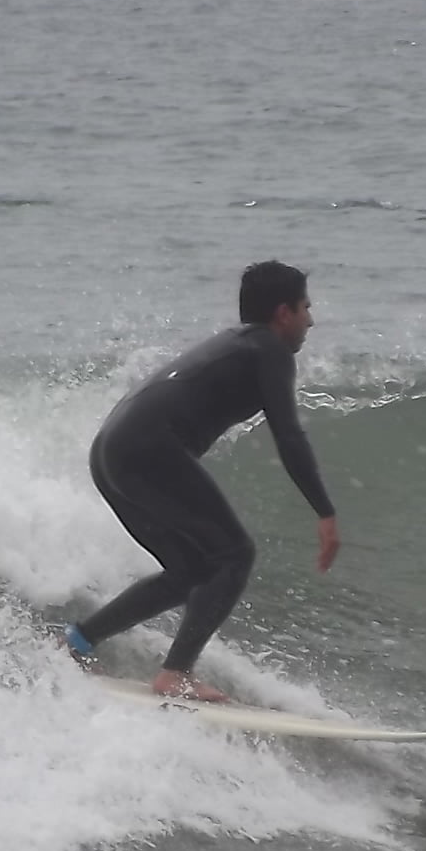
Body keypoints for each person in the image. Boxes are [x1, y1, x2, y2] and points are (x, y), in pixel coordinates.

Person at [63, 261, 341, 701]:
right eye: (306, 307)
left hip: (111, 450)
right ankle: (175, 674)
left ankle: (77, 642)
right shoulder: (269, 348)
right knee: (235, 554)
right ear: (283, 312)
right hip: (148, 449)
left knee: (190, 570)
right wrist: (324, 512)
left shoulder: (237, 344)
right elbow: (288, 435)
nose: (311, 319)